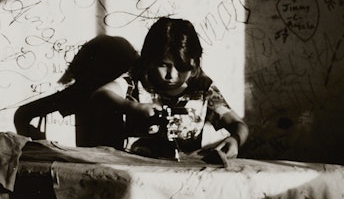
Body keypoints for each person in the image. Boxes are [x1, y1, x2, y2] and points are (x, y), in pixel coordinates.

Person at [90, 17, 248, 160]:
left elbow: (238, 125)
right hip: (137, 167)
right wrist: (134, 107)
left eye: (181, 67)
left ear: (194, 66)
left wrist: (235, 140)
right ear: (150, 60)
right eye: (163, 65)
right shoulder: (137, 79)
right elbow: (100, 95)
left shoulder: (202, 87)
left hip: (184, 172)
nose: (171, 75)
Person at [14, 34, 139, 147]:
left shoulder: (121, 88)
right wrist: (38, 143)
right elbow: (22, 115)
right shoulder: (83, 91)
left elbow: (22, 115)